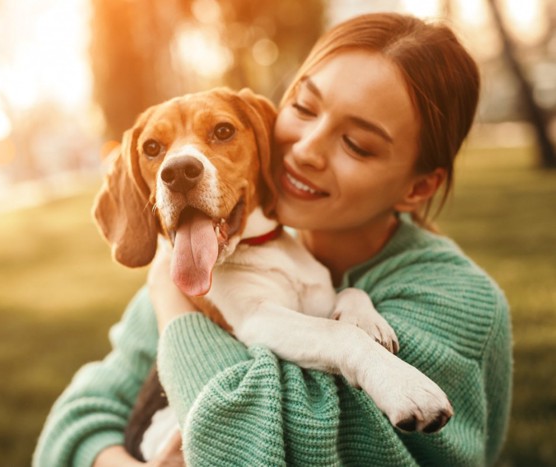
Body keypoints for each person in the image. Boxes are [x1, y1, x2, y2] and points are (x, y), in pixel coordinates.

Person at [33, 12, 512, 467]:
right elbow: (75, 421)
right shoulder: (197, 259)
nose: (305, 150)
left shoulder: (454, 303)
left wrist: (173, 308)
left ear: (418, 187)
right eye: (303, 108)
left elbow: (251, 451)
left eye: (357, 144)